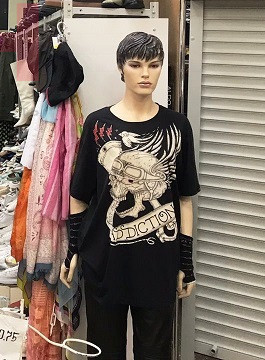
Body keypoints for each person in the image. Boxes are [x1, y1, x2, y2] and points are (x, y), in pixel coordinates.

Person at [60, 31, 200, 359]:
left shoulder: (178, 126)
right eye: (136, 65)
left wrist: (185, 261)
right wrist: (73, 249)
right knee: (105, 350)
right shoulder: (97, 124)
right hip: (105, 262)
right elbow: (79, 195)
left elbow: (184, 200)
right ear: (121, 68)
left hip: (157, 265)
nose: (146, 73)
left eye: (154, 64)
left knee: (155, 352)